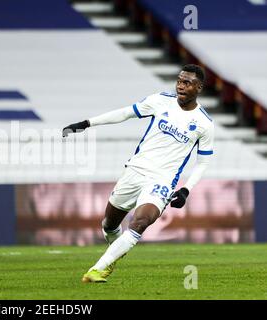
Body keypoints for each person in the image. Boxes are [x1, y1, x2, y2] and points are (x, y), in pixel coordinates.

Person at [62, 64, 214, 283]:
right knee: (109, 224)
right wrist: (87, 123)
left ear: (198, 87)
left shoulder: (204, 124)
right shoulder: (160, 101)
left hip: (162, 181)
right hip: (134, 171)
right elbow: (125, 113)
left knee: (140, 222)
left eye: (187, 82)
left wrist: (186, 190)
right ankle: (113, 253)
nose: (181, 86)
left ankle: (98, 269)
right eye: (179, 81)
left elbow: (203, 163)